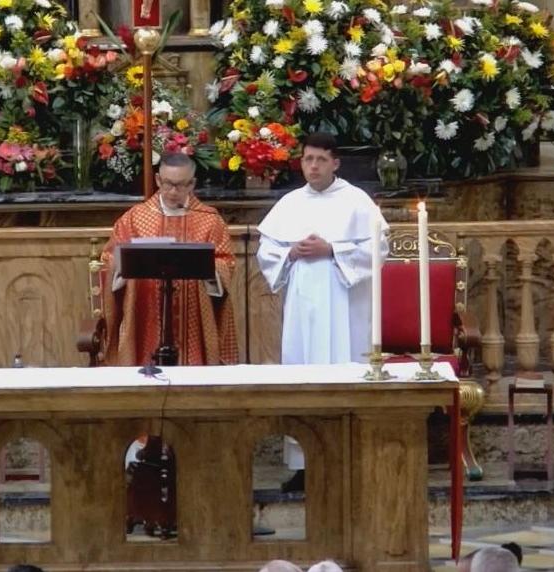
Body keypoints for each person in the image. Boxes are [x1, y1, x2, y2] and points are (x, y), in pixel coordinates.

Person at [256, 132, 389, 491]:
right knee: (303, 371)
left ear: (335, 163)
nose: (312, 167)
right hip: (303, 306)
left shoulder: (357, 201)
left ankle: (350, 458)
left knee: (345, 367)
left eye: (319, 160)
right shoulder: (290, 203)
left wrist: (332, 249)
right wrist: (292, 253)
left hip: (346, 305)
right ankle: (303, 465)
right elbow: (267, 250)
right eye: (306, 159)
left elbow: (379, 246)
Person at [101, 152, 238, 367]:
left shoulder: (210, 221)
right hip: (146, 314)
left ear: (192, 183)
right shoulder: (134, 218)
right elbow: (109, 257)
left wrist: (213, 268)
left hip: (193, 318)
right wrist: (119, 263)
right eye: (167, 184)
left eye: (181, 185)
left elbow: (226, 262)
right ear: (157, 180)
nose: (173, 192)